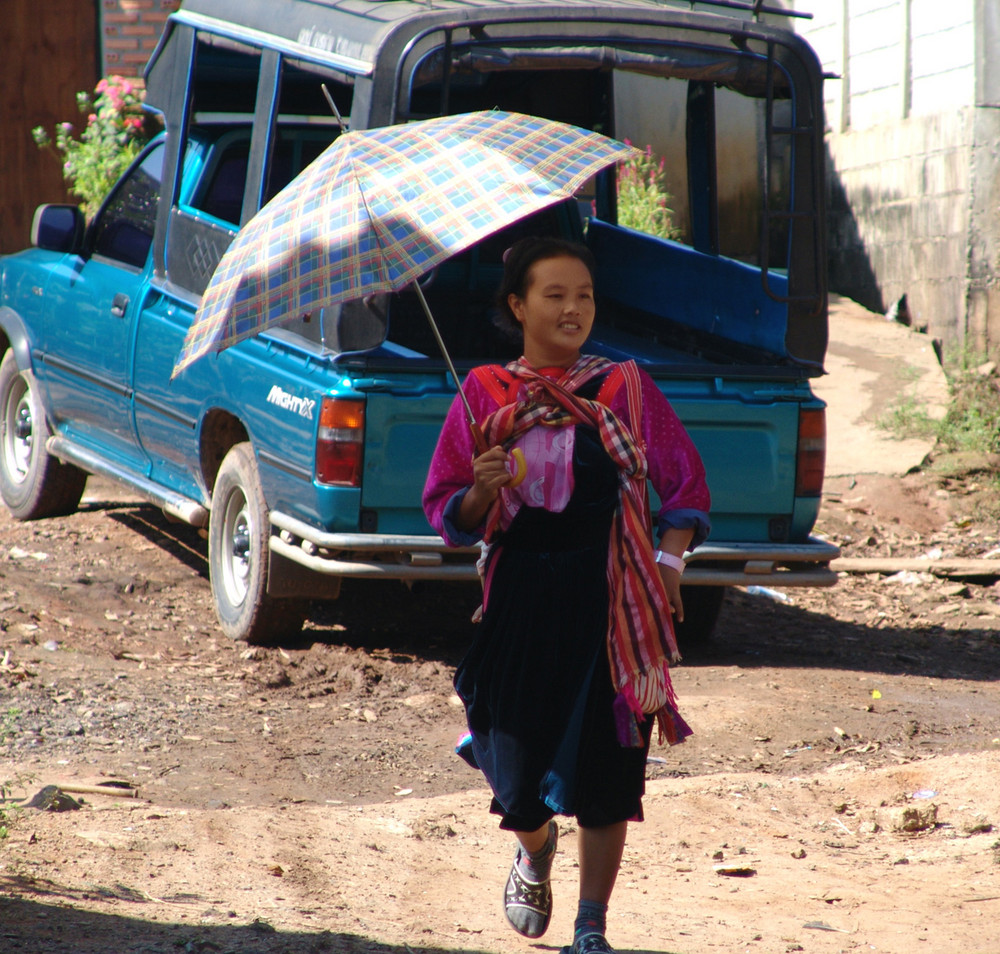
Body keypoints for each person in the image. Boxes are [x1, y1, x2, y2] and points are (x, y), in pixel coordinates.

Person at [422, 236, 711, 954]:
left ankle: (591, 926)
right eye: (555, 295)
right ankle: (535, 843)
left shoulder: (625, 389)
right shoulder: (483, 393)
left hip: (611, 595)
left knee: (611, 765)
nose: (573, 308)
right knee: (511, 770)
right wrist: (480, 489)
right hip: (520, 593)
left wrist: (669, 566)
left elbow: (684, 485)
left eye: (583, 294)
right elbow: (448, 514)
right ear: (518, 306)